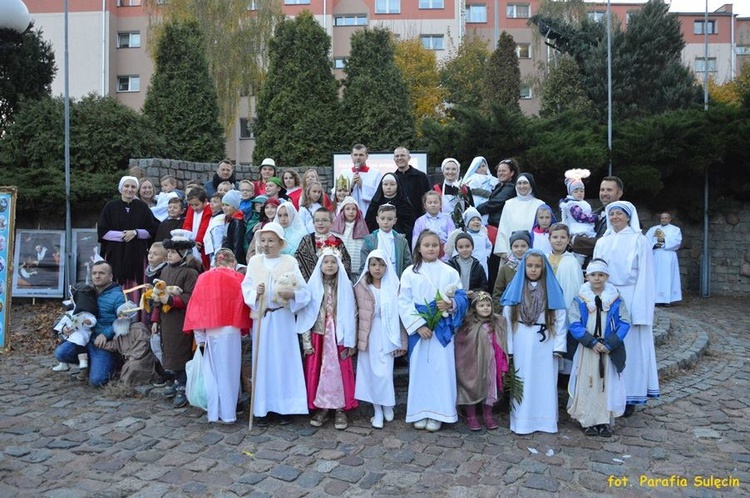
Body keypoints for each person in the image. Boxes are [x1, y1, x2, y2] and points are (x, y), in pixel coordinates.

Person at [398, 230, 469, 432]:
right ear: (419, 248)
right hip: (420, 330)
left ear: (440, 247)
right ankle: (420, 411)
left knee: (441, 370)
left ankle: (439, 412)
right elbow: (403, 301)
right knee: (421, 371)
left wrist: (451, 304)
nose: (431, 248)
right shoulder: (410, 272)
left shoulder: (449, 272)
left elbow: (463, 297)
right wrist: (418, 325)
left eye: (434, 245)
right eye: (426, 245)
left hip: (442, 328)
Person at [242, 223, 311, 427]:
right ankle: (262, 408)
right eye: (263, 240)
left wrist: (293, 295)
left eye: (271, 241)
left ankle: (285, 407)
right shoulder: (255, 262)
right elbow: (245, 287)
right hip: (263, 318)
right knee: (264, 363)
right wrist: (256, 292)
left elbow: (305, 292)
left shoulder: (289, 262)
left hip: (283, 319)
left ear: (280, 243)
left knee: (283, 362)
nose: (266, 245)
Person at [594, 201, 658, 417]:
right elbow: (596, 270)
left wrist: (641, 310)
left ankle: (630, 394)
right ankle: (608, 392)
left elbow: (646, 277)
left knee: (630, 347)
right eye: (611, 214)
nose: (614, 217)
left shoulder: (640, 241)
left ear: (629, 216)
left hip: (631, 297)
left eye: (619, 213)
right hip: (607, 296)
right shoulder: (603, 242)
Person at [501, 249, 567, 434]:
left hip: (545, 340)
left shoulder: (551, 288)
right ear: (524, 267)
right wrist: (510, 347)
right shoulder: (516, 288)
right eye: (529, 265)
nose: (533, 269)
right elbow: (506, 319)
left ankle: (545, 421)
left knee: (544, 381)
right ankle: (522, 422)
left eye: (537, 266)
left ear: (544, 268)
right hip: (521, 337)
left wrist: (559, 346)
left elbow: (561, 318)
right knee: (523, 379)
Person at [184, 248, 251, 424]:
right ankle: (229, 412)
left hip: (211, 331)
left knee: (212, 373)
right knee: (230, 372)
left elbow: (197, 307)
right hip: (231, 329)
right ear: (233, 262)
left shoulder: (203, 278)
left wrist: (199, 338)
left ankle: (215, 411)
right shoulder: (238, 278)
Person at [567, 258, 630, 438]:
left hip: (607, 348)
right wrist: (592, 342)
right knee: (588, 381)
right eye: (593, 275)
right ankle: (588, 419)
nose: (597, 278)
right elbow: (574, 323)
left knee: (605, 384)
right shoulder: (580, 299)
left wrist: (609, 343)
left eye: (601, 275)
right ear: (587, 276)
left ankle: (603, 420)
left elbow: (625, 322)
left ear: (607, 277)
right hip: (589, 348)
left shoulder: (616, 299)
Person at [297, 245, 358, 430]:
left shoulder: (345, 287)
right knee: (319, 371)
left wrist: (351, 341)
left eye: (333, 262)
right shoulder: (313, 286)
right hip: (319, 334)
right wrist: (307, 342)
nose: (330, 265)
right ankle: (321, 407)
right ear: (320, 265)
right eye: (326, 262)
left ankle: (340, 408)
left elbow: (352, 313)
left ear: (339, 265)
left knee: (339, 370)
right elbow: (306, 314)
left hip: (338, 335)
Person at [354, 250, 406, 429]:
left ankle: (388, 403)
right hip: (369, 333)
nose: (377, 268)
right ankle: (377, 409)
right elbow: (355, 314)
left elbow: (401, 316)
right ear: (368, 266)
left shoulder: (394, 285)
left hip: (388, 333)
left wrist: (402, 342)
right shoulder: (361, 287)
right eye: (374, 264)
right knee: (370, 373)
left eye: (382, 265)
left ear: (387, 267)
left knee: (384, 373)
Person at [54, 261, 125, 386]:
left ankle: (113, 363)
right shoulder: (85, 292)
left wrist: (105, 334)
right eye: (94, 273)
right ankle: (89, 363)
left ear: (110, 277)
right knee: (60, 353)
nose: (97, 276)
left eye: (101, 273)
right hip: (83, 339)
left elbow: (124, 320)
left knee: (97, 381)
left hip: (102, 343)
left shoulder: (118, 296)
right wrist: (65, 327)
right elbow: (71, 312)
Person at [153, 232, 199, 409]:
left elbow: (191, 297)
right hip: (166, 318)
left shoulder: (190, 272)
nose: (169, 255)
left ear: (183, 253)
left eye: (173, 252)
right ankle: (174, 379)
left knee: (181, 350)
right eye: (169, 251)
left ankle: (183, 384)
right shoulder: (165, 270)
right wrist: (156, 318)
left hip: (181, 319)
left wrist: (172, 300)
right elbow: (159, 291)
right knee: (169, 348)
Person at [455, 291, 509, 431]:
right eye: (481, 305)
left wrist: (503, 365)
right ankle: (471, 416)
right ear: (474, 308)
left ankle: (488, 415)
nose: (485, 308)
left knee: (491, 389)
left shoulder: (496, 323)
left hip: (492, 364)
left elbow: (501, 344)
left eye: (488, 305)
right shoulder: (468, 325)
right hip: (473, 364)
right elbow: (461, 343)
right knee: (471, 387)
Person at [98, 176, 159, 287]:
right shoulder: (110, 207)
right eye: (126, 186)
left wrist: (135, 233)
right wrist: (123, 235)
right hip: (116, 253)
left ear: (136, 190)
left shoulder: (143, 207)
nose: (129, 189)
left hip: (137, 253)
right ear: (121, 188)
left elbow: (152, 229)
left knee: (135, 282)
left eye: (133, 187)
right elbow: (102, 231)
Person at [100, 301, 162, 391]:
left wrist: (134, 356)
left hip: (142, 358)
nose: (121, 318)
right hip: (129, 359)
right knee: (129, 367)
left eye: (124, 315)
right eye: (119, 316)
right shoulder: (120, 331)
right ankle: (125, 385)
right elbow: (115, 344)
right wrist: (104, 345)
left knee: (134, 367)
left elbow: (143, 344)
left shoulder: (138, 328)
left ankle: (128, 386)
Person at [494, 173, 545, 260]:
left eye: (525, 183)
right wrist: (503, 251)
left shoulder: (539, 204)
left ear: (531, 185)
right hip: (511, 254)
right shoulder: (509, 204)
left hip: (534, 253)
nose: (522, 186)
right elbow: (503, 227)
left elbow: (543, 229)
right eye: (519, 183)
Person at [570, 176, 624, 258]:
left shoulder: (624, 217)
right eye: (602, 190)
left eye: (609, 190)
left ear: (619, 193)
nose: (604, 193)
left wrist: (575, 240)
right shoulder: (593, 214)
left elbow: (609, 244)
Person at [51, 283, 98, 373]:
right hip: (70, 334)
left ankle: (83, 362)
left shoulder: (86, 312)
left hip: (81, 334)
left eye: (73, 296)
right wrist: (63, 328)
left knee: (79, 345)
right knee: (62, 344)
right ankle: (63, 364)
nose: (71, 299)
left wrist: (88, 322)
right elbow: (62, 320)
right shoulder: (72, 309)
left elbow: (92, 320)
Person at [295, 207, 352, 281]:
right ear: (313, 223)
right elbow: (298, 260)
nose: (320, 223)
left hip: (333, 283)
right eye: (317, 220)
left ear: (331, 223)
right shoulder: (306, 240)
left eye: (324, 220)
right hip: (311, 283)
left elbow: (346, 262)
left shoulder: (338, 241)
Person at [360, 204, 412, 278]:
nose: (386, 222)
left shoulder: (402, 241)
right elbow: (364, 264)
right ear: (377, 219)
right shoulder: (369, 240)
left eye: (390, 219)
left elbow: (407, 263)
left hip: (396, 279)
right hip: (375, 281)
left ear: (395, 220)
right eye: (382, 218)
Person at [365, 173, 416, 246]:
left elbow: (409, 226)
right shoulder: (375, 202)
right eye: (385, 184)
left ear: (397, 185)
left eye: (392, 184)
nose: (388, 187)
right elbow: (369, 223)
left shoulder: (404, 204)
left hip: (399, 242)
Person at [645, 212, 682, 306]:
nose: (664, 220)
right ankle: (656, 299)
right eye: (662, 218)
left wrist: (664, 242)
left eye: (666, 218)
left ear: (669, 219)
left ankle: (667, 300)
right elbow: (646, 241)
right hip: (656, 255)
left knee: (668, 276)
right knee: (656, 276)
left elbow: (677, 241)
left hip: (668, 256)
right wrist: (654, 245)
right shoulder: (653, 229)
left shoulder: (675, 230)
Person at [331, 196, 369, 282]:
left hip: (357, 267)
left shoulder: (362, 228)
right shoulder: (336, 228)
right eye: (347, 209)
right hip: (341, 267)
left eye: (354, 209)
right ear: (342, 211)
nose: (351, 212)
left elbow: (364, 248)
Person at [492, 230, 530, 312]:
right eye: (516, 246)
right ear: (511, 248)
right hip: (509, 311)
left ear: (529, 247)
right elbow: (497, 293)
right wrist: (501, 312)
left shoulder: (532, 266)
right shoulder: (505, 268)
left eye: (523, 246)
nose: (519, 249)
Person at [411, 191, 456, 260]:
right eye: (430, 203)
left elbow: (452, 238)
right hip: (425, 255)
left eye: (435, 202)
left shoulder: (448, 219)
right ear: (425, 205)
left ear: (440, 204)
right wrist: (417, 257)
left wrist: (447, 257)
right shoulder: (419, 221)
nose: (433, 205)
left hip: (445, 255)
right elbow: (415, 241)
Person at [340, 144, 382, 214]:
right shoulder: (344, 173)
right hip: (349, 214)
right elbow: (337, 197)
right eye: (355, 155)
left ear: (367, 156)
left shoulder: (376, 174)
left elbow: (379, 195)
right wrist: (351, 186)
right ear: (351, 156)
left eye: (361, 155)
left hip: (368, 212)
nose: (358, 158)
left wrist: (362, 186)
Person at [478, 158, 519, 228]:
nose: (500, 173)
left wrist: (476, 210)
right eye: (499, 171)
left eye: (504, 171)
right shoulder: (499, 185)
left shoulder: (511, 187)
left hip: (499, 226)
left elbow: (495, 203)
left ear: (512, 173)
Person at [447, 233, 488, 300]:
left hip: (472, 301)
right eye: (461, 247)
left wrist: (474, 292)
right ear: (456, 249)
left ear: (472, 247)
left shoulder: (478, 266)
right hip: (455, 301)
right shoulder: (451, 265)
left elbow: (484, 286)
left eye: (467, 246)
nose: (464, 250)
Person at [559, 169, 598, 238]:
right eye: (576, 191)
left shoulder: (581, 203)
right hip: (578, 230)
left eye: (581, 191)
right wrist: (595, 217)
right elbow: (580, 216)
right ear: (571, 193)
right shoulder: (572, 204)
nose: (579, 193)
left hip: (585, 228)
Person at [392, 147, 431, 217]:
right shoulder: (392, 179)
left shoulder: (420, 176)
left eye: (402, 155)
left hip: (418, 218)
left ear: (409, 158)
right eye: (397, 156)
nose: (399, 158)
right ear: (394, 159)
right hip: (399, 220)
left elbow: (427, 197)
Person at [182, 187, 212, 270]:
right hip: (191, 243)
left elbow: (204, 227)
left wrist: (198, 241)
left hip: (202, 245)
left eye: (196, 204)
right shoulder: (191, 209)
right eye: (191, 205)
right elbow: (187, 224)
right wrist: (188, 239)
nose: (194, 207)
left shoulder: (209, 209)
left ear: (205, 201)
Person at [462, 156, 498, 222]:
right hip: (478, 201)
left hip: (489, 202)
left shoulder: (492, 178)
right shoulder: (473, 178)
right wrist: (488, 194)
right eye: (478, 167)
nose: (482, 169)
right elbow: (472, 189)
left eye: (483, 166)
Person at [220, 190, 247, 266]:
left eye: (227, 205)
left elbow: (237, 244)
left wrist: (234, 261)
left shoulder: (237, 221)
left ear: (235, 206)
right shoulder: (229, 219)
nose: (224, 208)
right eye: (223, 205)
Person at [203, 193, 226, 268]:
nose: (211, 204)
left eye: (215, 202)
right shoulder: (213, 218)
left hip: (216, 253)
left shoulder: (220, 220)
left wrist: (215, 259)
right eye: (211, 201)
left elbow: (218, 242)